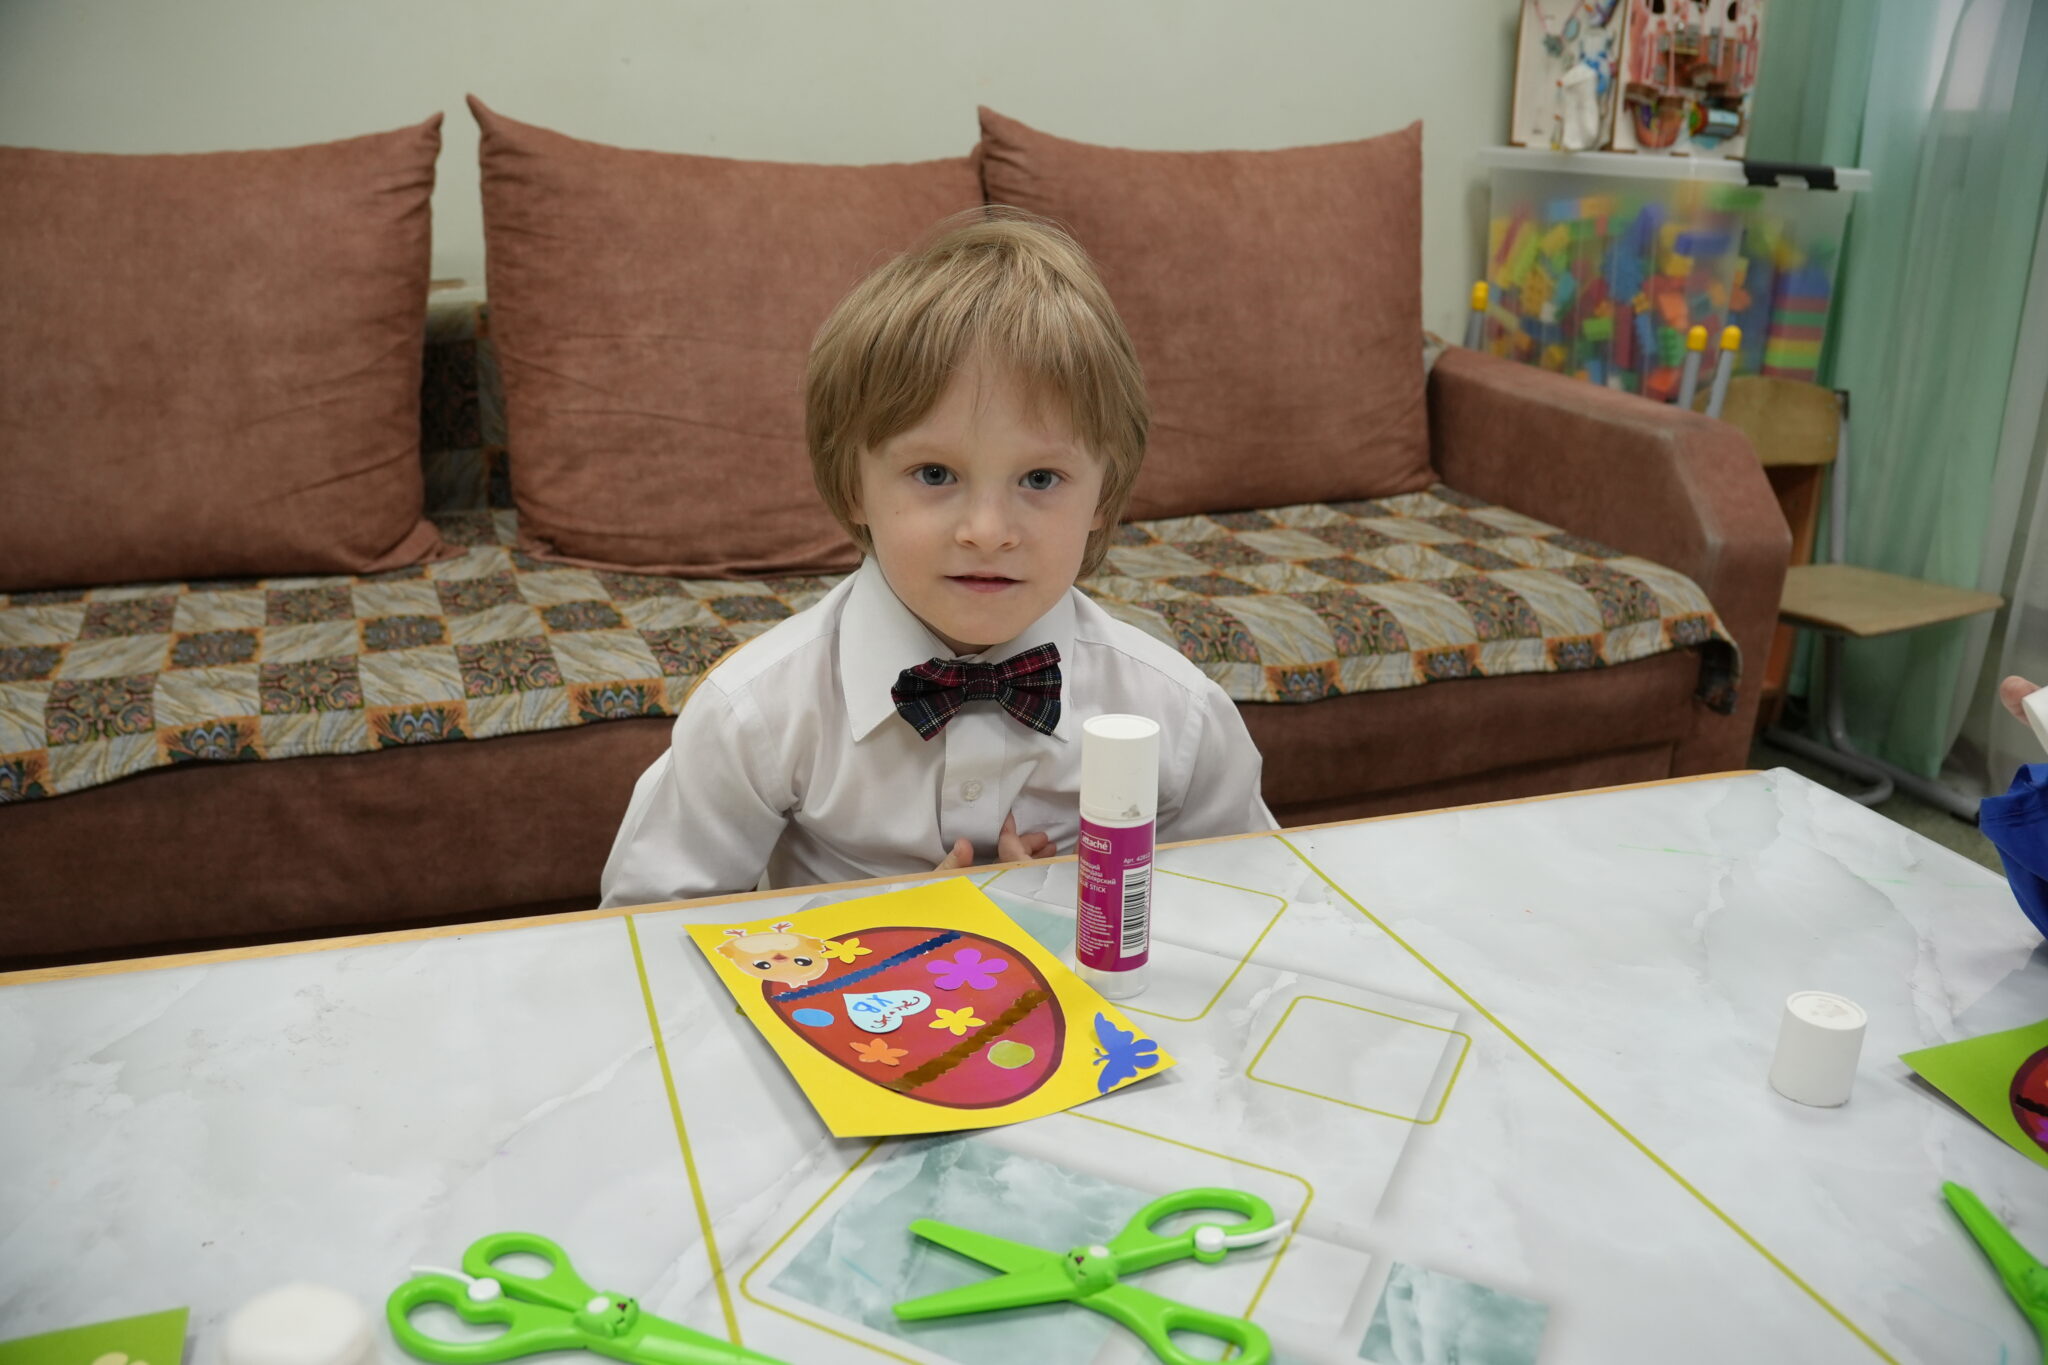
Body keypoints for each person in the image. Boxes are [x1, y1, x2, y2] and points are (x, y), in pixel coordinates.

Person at [600, 210, 1276, 907]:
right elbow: (639, 932)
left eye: (1040, 478)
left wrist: (1070, 909)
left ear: (1103, 496)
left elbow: (1258, 913)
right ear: (853, 485)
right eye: (934, 474)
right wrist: (894, 931)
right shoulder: (757, 714)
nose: (988, 532)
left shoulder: (1179, 716)